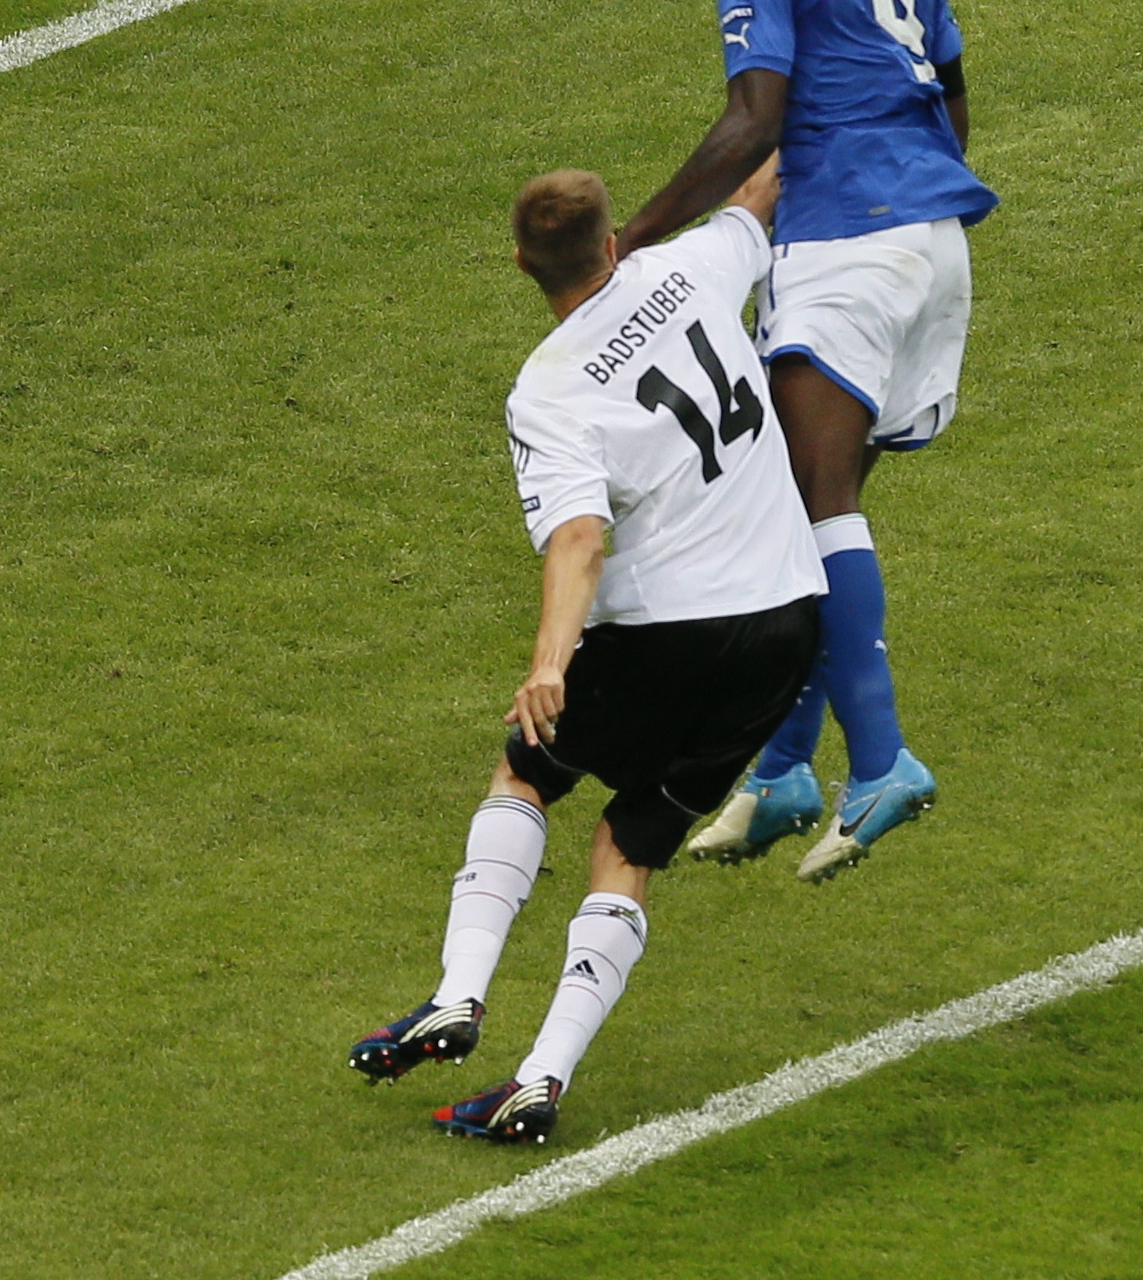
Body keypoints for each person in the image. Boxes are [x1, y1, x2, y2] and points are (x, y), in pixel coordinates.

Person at [348, 162, 821, 1144]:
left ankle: (458, 993)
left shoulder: (549, 391)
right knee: (629, 842)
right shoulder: (687, 268)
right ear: (612, 242)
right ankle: (539, 1081)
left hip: (667, 630)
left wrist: (550, 664)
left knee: (526, 775)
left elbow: (577, 537)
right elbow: (757, 197)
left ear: (522, 264)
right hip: (784, 623)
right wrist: (814, 96)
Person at [610, 0, 995, 880]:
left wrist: (632, 239)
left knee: (813, 508)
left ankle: (878, 760)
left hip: (846, 244)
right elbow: (953, 97)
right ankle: (783, 770)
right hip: (931, 241)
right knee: (809, 515)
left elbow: (753, 121)